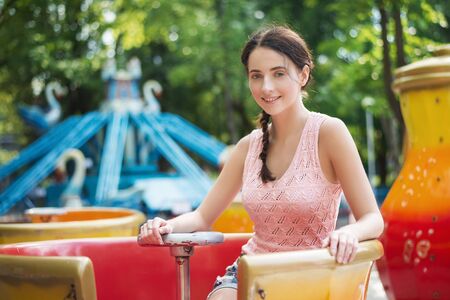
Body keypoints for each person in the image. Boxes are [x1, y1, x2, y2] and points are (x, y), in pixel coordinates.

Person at [138, 25, 384, 300]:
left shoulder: (329, 133)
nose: (266, 87)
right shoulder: (247, 147)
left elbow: (373, 219)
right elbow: (202, 216)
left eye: (278, 74)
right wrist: (165, 226)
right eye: (257, 76)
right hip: (253, 274)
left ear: (303, 75)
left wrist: (350, 232)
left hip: (312, 277)